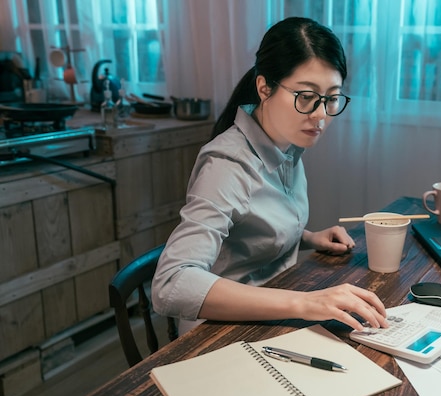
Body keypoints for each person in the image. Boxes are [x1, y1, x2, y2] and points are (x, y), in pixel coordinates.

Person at [152, 17, 387, 335]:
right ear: (265, 88)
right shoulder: (228, 164)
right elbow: (171, 283)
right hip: (218, 332)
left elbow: (248, 231)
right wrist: (305, 303)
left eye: (331, 98)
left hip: (272, 315)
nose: (320, 114)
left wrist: (307, 238)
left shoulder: (287, 146)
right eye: (306, 97)